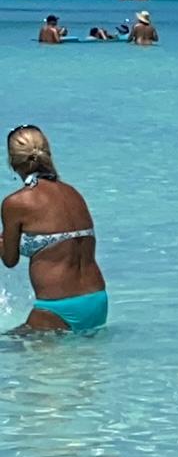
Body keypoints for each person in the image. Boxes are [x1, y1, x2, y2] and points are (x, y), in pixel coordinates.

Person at [1, 125, 108, 332]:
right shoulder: (73, 193)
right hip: (97, 301)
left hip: (56, 308)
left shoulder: (16, 203)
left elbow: (9, 259)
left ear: (13, 163)